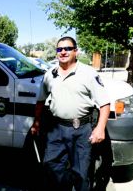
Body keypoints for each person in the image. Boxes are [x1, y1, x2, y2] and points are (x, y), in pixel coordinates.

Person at [31, 36, 110, 191]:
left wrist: (100, 128)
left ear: (76, 51)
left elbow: (105, 104)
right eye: (59, 49)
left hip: (81, 130)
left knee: (81, 173)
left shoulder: (88, 74)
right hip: (56, 129)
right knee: (52, 167)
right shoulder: (50, 74)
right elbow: (40, 101)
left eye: (67, 48)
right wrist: (36, 122)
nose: (63, 52)